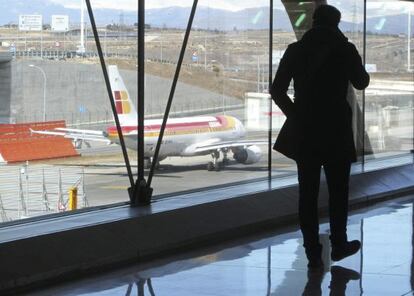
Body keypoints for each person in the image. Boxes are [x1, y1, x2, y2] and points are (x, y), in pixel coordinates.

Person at [271, 5, 370, 269]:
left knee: (308, 193)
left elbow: (277, 90)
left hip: (306, 131)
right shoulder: (344, 49)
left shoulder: (295, 50)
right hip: (336, 128)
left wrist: (296, 115)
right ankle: (338, 244)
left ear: (313, 22)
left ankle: (313, 252)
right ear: (336, 24)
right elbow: (361, 82)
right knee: (339, 191)